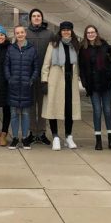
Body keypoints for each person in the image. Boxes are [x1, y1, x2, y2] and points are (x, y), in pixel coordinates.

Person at [41, 21, 81, 151]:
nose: (66, 32)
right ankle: (56, 137)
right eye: (63, 30)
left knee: (69, 111)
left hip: (70, 82)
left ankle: (69, 136)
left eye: (68, 30)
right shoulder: (53, 45)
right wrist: (44, 81)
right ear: (60, 31)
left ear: (71, 31)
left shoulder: (75, 45)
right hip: (55, 82)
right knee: (53, 109)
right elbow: (46, 65)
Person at [78, 25, 111, 150]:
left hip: (106, 84)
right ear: (85, 34)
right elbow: (82, 68)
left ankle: (110, 138)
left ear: (96, 33)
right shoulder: (83, 49)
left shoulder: (105, 46)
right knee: (97, 111)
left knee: (108, 110)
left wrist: (109, 72)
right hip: (93, 85)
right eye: (88, 33)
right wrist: (84, 82)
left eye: (92, 32)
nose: (90, 34)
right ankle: (98, 140)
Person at [4, 25, 39, 150]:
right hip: (13, 86)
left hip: (26, 87)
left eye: (22, 32)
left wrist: (31, 80)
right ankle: (14, 138)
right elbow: (6, 66)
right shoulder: (10, 49)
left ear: (25, 34)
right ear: (15, 35)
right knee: (14, 114)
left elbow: (36, 67)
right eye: (17, 33)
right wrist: (9, 79)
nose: (20, 34)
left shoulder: (32, 49)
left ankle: (24, 138)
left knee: (25, 114)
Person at [25, 9, 54, 147]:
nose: (36, 18)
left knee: (43, 106)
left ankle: (42, 133)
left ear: (42, 18)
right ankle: (31, 132)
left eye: (39, 16)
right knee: (30, 105)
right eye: (34, 16)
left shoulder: (49, 34)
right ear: (30, 19)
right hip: (29, 75)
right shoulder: (25, 33)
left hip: (44, 76)